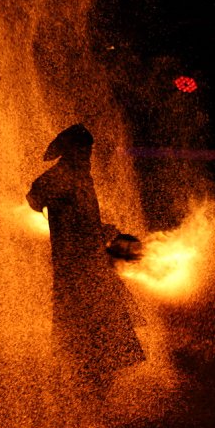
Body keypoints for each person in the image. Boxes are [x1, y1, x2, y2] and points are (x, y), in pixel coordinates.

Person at [27, 123, 145, 399]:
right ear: (72, 151)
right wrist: (85, 230)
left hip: (88, 260)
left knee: (99, 316)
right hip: (75, 265)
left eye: (89, 152)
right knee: (87, 317)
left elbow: (72, 215)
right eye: (84, 151)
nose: (88, 157)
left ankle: (96, 379)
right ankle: (89, 382)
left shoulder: (79, 177)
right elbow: (34, 197)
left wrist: (98, 230)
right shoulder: (61, 177)